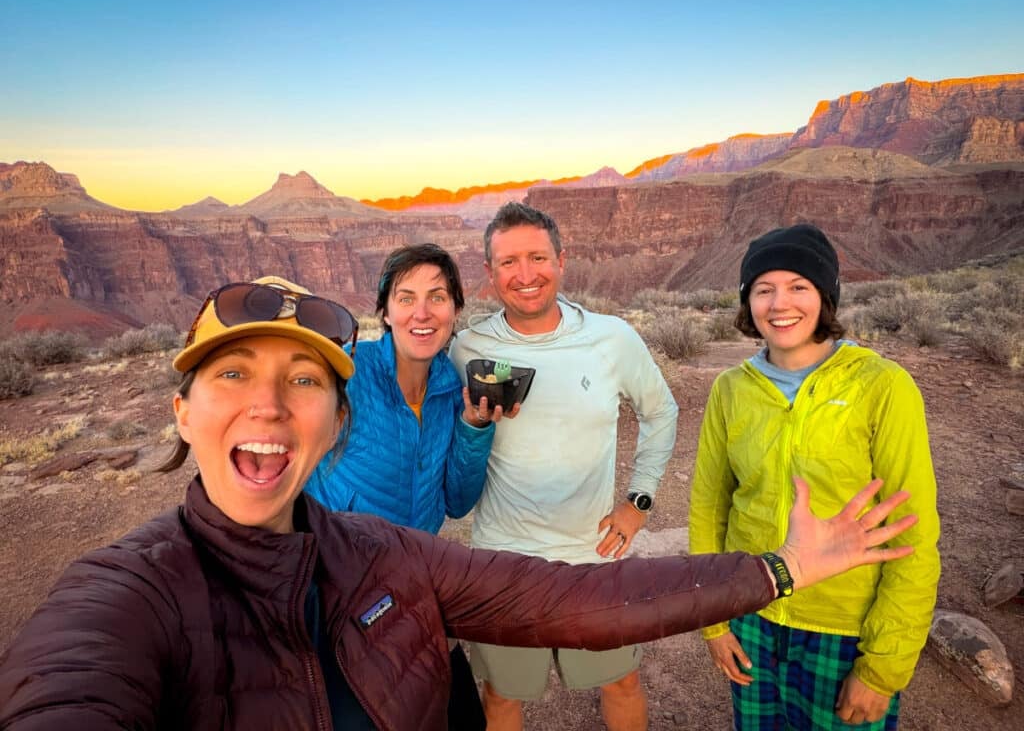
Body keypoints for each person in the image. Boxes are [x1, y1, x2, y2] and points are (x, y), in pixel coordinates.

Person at [0, 273, 920, 731]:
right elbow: (67, 685)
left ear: (333, 416)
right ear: (181, 410)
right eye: (231, 372)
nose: (268, 405)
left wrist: (785, 567)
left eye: (302, 382)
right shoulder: (125, 594)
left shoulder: (381, 555)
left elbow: (579, 603)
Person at [688, 224, 941, 730]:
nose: (780, 303)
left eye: (798, 286)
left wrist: (883, 667)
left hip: (843, 628)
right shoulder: (731, 389)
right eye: (764, 289)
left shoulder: (882, 386)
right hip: (752, 607)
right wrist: (713, 623)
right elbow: (709, 507)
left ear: (825, 297)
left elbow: (913, 533)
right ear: (748, 302)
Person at [448, 202, 679, 731]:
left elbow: (661, 411)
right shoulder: (467, 349)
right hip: (501, 560)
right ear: (489, 272)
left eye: (537, 258)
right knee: (503, 694)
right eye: (508, 262)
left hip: (592, 554)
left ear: (562, 261)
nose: (525, 275)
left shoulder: (611, 338)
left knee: (620, 680)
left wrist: (638, 501)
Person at [305, 244, 513, 729]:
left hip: (415, 583)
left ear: (455, 309)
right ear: (385, 310)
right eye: (406, 297)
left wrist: (473, 426)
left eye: (437, 297)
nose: (422, 312)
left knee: (462, 718)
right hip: (339, 594)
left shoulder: (449, 386)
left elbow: (458, 502)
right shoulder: (346, 378)